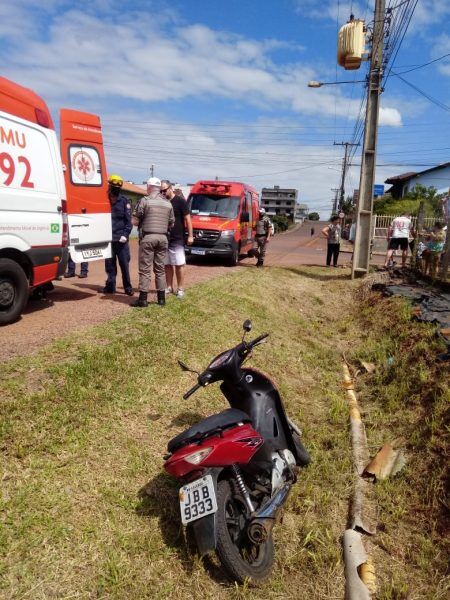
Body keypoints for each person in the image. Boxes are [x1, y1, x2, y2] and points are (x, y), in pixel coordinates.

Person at [131, 177, 174, 308]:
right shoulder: (168, 203)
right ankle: (161, 299)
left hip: (148, 237)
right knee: (160, 269)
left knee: (145, 269)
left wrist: (142, 222)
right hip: (163, 238)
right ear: (159, 188)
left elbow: (135, 220)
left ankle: (143, 300)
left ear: (149, 187)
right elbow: (172, 223)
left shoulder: (145, 201)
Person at [99, 174, 133, 296]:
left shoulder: (124, 201)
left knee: (124, 265)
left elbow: (129, 222)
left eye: (117, 187)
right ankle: (110, 286)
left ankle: (128, 287)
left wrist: (125, 235)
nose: (115, 189)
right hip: (108, 239)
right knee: (110, 265)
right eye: (113, 186)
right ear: (109, 186)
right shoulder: (104, 199)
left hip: (121, 240)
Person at [161, 180, 194, 298]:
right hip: (165, 238)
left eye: (164, 190)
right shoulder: (162, 202)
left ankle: (180, 289)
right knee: (167, 264)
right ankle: (169, 287)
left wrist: (190, 235)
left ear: (171, 188)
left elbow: (188, 219)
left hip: (178, 238)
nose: (163, 193)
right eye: (161, 191)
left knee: (179, 264)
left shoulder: (180, 201)